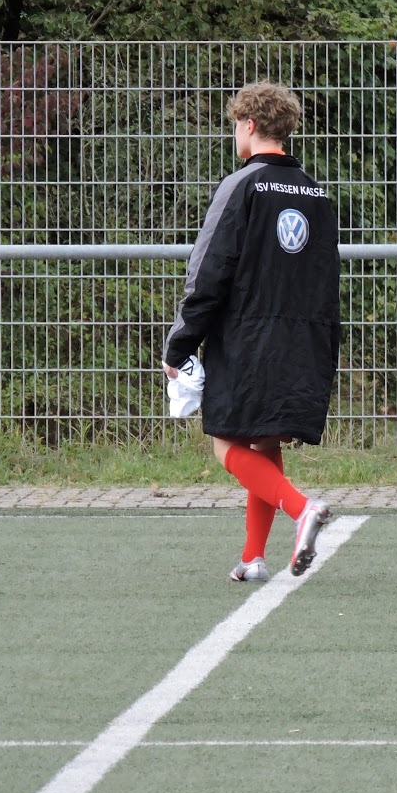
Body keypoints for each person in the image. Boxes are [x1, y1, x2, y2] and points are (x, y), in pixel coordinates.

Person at [163, 81, 341, 582]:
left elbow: (209, 270)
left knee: (225, 444)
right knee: (265, 442)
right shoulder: (316, 193)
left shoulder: (241, 185)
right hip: (305, 339)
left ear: (250, 125)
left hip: (248, 337)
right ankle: (252, 558)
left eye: (235, 126)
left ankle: (302, 508)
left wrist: (181, 342)